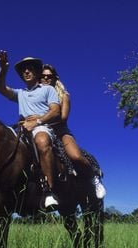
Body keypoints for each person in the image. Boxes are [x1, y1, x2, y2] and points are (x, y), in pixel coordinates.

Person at [0, 50, 61, 208]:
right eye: (23, 69)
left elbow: (55, 111)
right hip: (21, 127)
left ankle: (49, 192)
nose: (26, 71)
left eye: (30, 68)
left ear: (37, 72)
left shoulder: (47, 90)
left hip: (41, 127)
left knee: (42, 141)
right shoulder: (20, 93)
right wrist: (3, 69)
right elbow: (0, 88)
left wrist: (37, 121)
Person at [41, 64, 106, 199]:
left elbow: (63, 118)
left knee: (75, 156)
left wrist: (39, 120)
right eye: (43, 76)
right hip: (39, 131)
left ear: (55, 78)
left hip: (60, 132)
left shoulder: (64, 96)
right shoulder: (34, 94)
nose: (46, 78)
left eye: (49, 76)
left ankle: (93, 177)